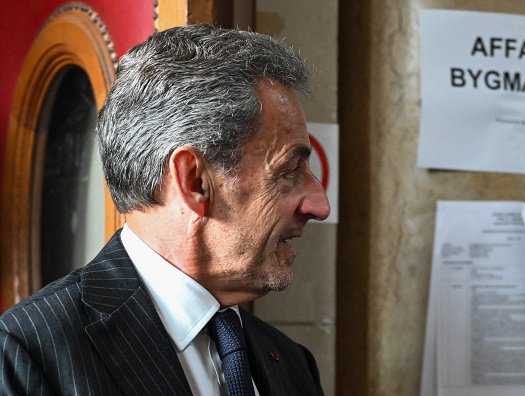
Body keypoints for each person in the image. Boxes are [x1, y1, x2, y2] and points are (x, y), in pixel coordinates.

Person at [0, 23, 330, 395]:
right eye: (289, 171)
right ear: (194, 182)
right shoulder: (27, 353)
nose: (319, 205)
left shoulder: (291, 362)